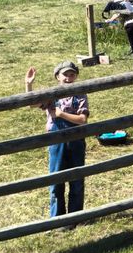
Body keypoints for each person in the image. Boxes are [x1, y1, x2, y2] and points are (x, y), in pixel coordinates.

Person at [25, 60, 89, 223]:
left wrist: (61, 114)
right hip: (56, 139)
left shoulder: (80, 93)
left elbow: (82, 119)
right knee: (56, 178)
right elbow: (32, 104)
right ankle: (58, 219)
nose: (68, 78)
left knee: (77, 178)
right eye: (65, 75)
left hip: (76, 140)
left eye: (72, 74)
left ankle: (76, 216)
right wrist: (28, 85)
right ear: (57, 77)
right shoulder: (51, 95)